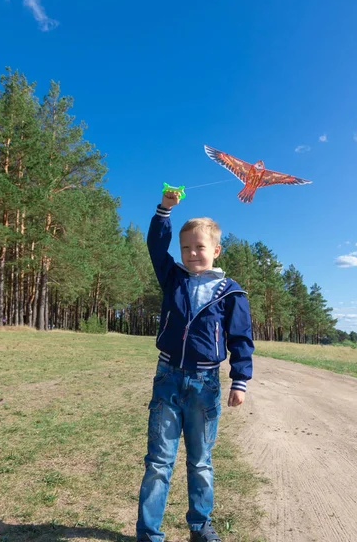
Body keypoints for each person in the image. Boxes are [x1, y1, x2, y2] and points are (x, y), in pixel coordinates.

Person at [136, 191, 254, 542]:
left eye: (199, 247)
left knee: (200, 461)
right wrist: (164, 212)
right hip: (168, 378)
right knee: (159, 461)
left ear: (216, 250)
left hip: (205, 385)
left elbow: (241, 338)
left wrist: (240, 380)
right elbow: (158, 247)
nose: (191, 254)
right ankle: (149, 533)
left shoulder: (231, 293)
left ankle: (200, 526)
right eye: (186, 248)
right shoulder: (173, 278)